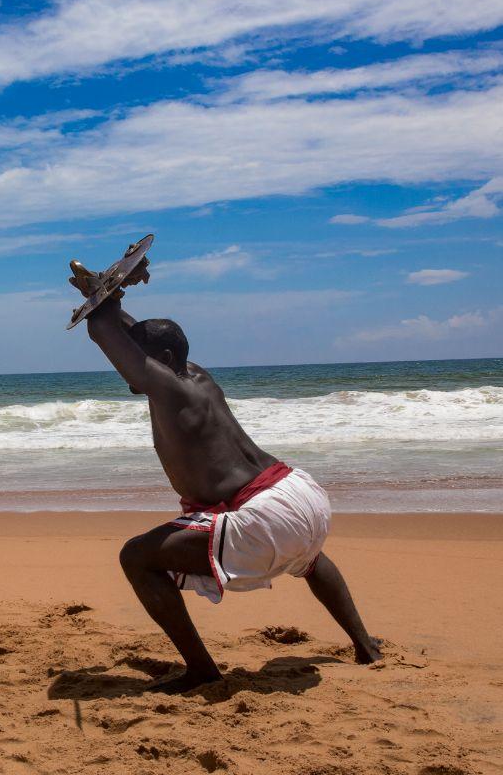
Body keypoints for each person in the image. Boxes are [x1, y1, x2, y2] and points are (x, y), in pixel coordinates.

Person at [70, 256, 380, 692]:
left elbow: (102, 331)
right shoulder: (195, 374)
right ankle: (365, 645)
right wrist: (105, 293)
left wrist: (104, 302)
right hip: (300, 495)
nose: (129, 365)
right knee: (308, 559)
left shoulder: (169, 387)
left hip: (264, 514)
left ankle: (201, 670)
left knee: (136, 557)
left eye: (140, 356)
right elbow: (134, 334)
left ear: (161, 359)